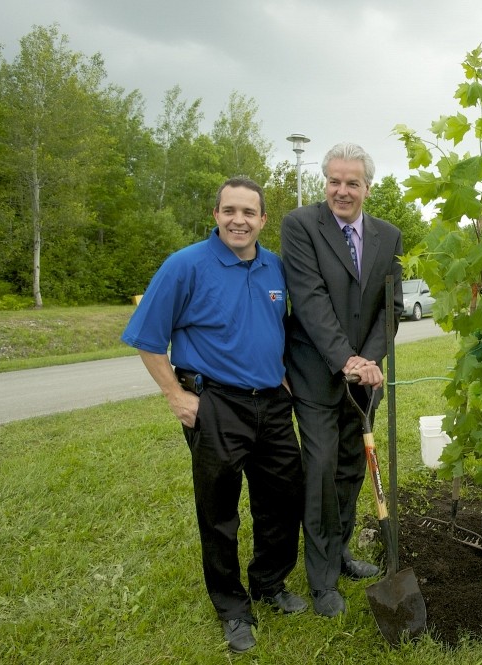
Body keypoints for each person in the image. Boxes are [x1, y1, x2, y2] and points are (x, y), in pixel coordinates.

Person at [121, 177, 306, 654]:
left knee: (283, 499)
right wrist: (175, 397)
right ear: (216, 215)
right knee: (219, 510)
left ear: (264, 220)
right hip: (216, 404)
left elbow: (277, 328)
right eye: (230, 211)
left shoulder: (275, 268)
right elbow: (146, 338)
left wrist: (281, 370)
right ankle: (231, 607)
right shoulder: (185, 265)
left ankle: (269, 583)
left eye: (249, 212)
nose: (238, 220)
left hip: (271, 403)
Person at [280, 142, 404, 619]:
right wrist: (346, 359)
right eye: (334, 180)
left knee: (353, 469)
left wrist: (368, 361)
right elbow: (309, 300)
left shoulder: (388, 235)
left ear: (367, 188)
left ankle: (342, 551)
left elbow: (388, 309)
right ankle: (321, 581)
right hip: (315, 373)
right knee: (321, 471)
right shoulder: (300, 226)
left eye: (352, 182)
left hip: (364, 378)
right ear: (324, 182)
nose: (342, 190)